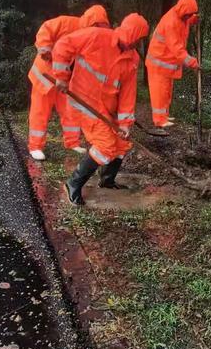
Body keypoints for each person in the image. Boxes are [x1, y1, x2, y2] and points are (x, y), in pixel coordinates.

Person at [52, 13, 149, 205]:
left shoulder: (132, 59)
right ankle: (73, 183)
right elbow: (63, 45)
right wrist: (62, 75)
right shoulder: (97, 36)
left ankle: (107, 181)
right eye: (138, 38)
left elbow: (128, 93)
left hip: (106, 109)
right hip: (83, 100)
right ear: (133, 34)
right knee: (105, 145)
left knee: (122, 143)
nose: (138, 42)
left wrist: (125, 123)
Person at [28, 5, 110, 161]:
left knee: (69, 111)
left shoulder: (93, 40)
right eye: (97, 27)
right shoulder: (68, 23)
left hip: (66, 81)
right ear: (91, 22)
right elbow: (46, 28)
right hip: (44, 76)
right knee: (40, 112)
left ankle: (72, 143)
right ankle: (35, 146)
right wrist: (45, 49)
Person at [146, 0, 200, 129]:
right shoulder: (171, 22)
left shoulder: (182, 17)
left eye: (190, 15)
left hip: (165, 63)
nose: (188, 17)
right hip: (158, 62)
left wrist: (193, 19)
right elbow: (177, 49)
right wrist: (192, 62)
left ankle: (164, 116)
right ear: (183, 10)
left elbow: (186, 22)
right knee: (159, 92)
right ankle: (159, 120)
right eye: (188, 14)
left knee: (166, 91)